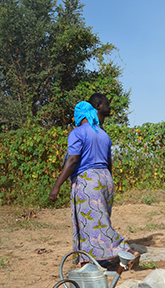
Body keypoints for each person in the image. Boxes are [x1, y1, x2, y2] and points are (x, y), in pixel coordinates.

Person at [49, 94, 137, 267]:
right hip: (105, 179)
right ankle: (88, 262)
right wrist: (107, 183)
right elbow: (109, 162)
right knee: (92, 224)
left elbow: (73, 160)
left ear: (79, 116)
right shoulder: (103, 135)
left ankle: (127, 251)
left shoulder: (78, 133)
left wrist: (56, 186)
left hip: (88, 182)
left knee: (95, 223)